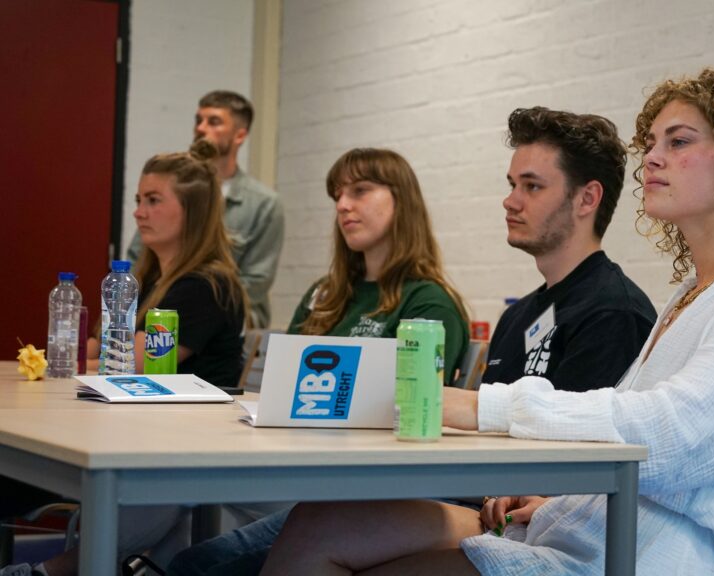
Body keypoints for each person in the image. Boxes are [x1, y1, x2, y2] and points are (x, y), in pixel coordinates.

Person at [259, 68, 714, 576]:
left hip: (642, 553)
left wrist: (479, 407)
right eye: (652, 144)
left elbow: (672, 440)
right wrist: (559, 501)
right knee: (320, 523)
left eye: (678, 142)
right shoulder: (692, 294)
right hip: (582, 525)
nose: (652, 158)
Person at [166, 147, 470, 576]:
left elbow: (415, 412)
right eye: (337, 195)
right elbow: (282, 390)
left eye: (360, 191)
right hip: (302, 471)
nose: (343, 205)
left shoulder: (428, 303)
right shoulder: (324, 294)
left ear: (401, 200)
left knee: (197, 565)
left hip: (372, 489)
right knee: (189, 552)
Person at [0, 140, 248, 576]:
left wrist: (73, 362)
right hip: (135, 434)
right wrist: (70, 356)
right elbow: (95, 349)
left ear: (191, 212)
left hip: (176, 451)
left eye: (153, 200)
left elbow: (129, 362)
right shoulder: (146, 277)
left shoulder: (206, 286)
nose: (138, 213)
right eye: (138, 200)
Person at [482, 107, 656, 392]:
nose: (510, 202)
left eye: (532, 186)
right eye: (513, 185)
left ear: (587, 199)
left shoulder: (613, 315)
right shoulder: (514, 317)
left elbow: (575, 422)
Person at [127, 90, 284, 329]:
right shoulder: (170, 190)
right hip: (161, 306)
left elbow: (255, 282)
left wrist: (193, 299)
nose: (201, 128)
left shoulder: (264, 204)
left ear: (240, 135)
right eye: (198, 120)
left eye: (214, 122)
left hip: (230, 316)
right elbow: (138, 259)